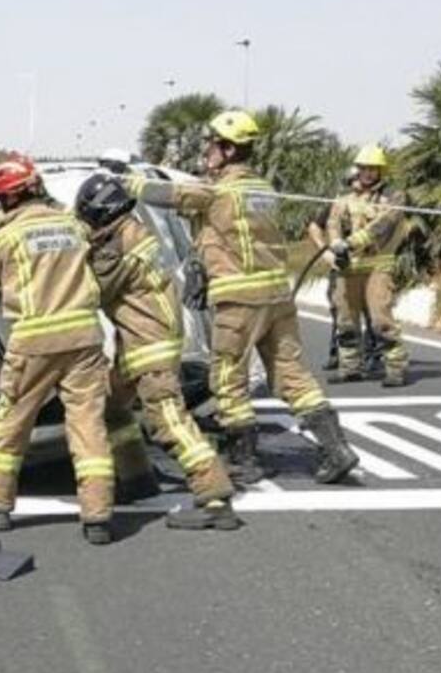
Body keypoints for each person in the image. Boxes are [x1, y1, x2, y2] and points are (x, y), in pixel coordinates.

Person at [125, 110, 359, 485]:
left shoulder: (219, 189)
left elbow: (169, 195)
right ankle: (337, 449)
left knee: (228, 377)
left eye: (212, 144)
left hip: (239, 298)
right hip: (277, 296)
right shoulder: (263, 189)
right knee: (293, 375)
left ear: (230, 149)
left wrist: (128, 181)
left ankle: (244, 460)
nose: (206, 150)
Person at [75, 172, 240, 530]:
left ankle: (215, 497)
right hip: (143, 341)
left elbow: (92, 290)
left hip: (148, 345)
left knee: (168, 420)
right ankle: (137, 478)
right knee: (112, 405)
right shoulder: (134, 231)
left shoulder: (119, 247)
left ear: (100, 214)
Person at [0, 156, 116, 545]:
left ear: (5, 198)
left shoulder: (7, 235)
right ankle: (97, 516)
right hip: (84, 339)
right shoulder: (72, 225)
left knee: (13, 423)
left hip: (34, 342)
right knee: (88, 426)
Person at [326, 145, 411, 387]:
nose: (368, 173)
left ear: (381, 171)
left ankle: (396, 368)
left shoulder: (394, 197)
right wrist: (336, 245)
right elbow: (332, 223)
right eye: (364, 168)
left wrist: (352, 241)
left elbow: (383, 225)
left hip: (378, 266)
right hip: (349, 266)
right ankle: (350, 367)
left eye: (373, 168)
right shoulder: (344, 199)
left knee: (380, 319)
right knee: (345, 319)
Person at [306, 166, 358, 372]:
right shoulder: (339, 204)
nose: (357, 185)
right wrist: (326, 253)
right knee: (339, 309)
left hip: (369, 265)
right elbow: (314, 227)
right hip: (342, 264)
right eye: (353, 181)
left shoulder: (377, 204)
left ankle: (373, 355)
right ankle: (337, 354)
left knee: (372, 313)